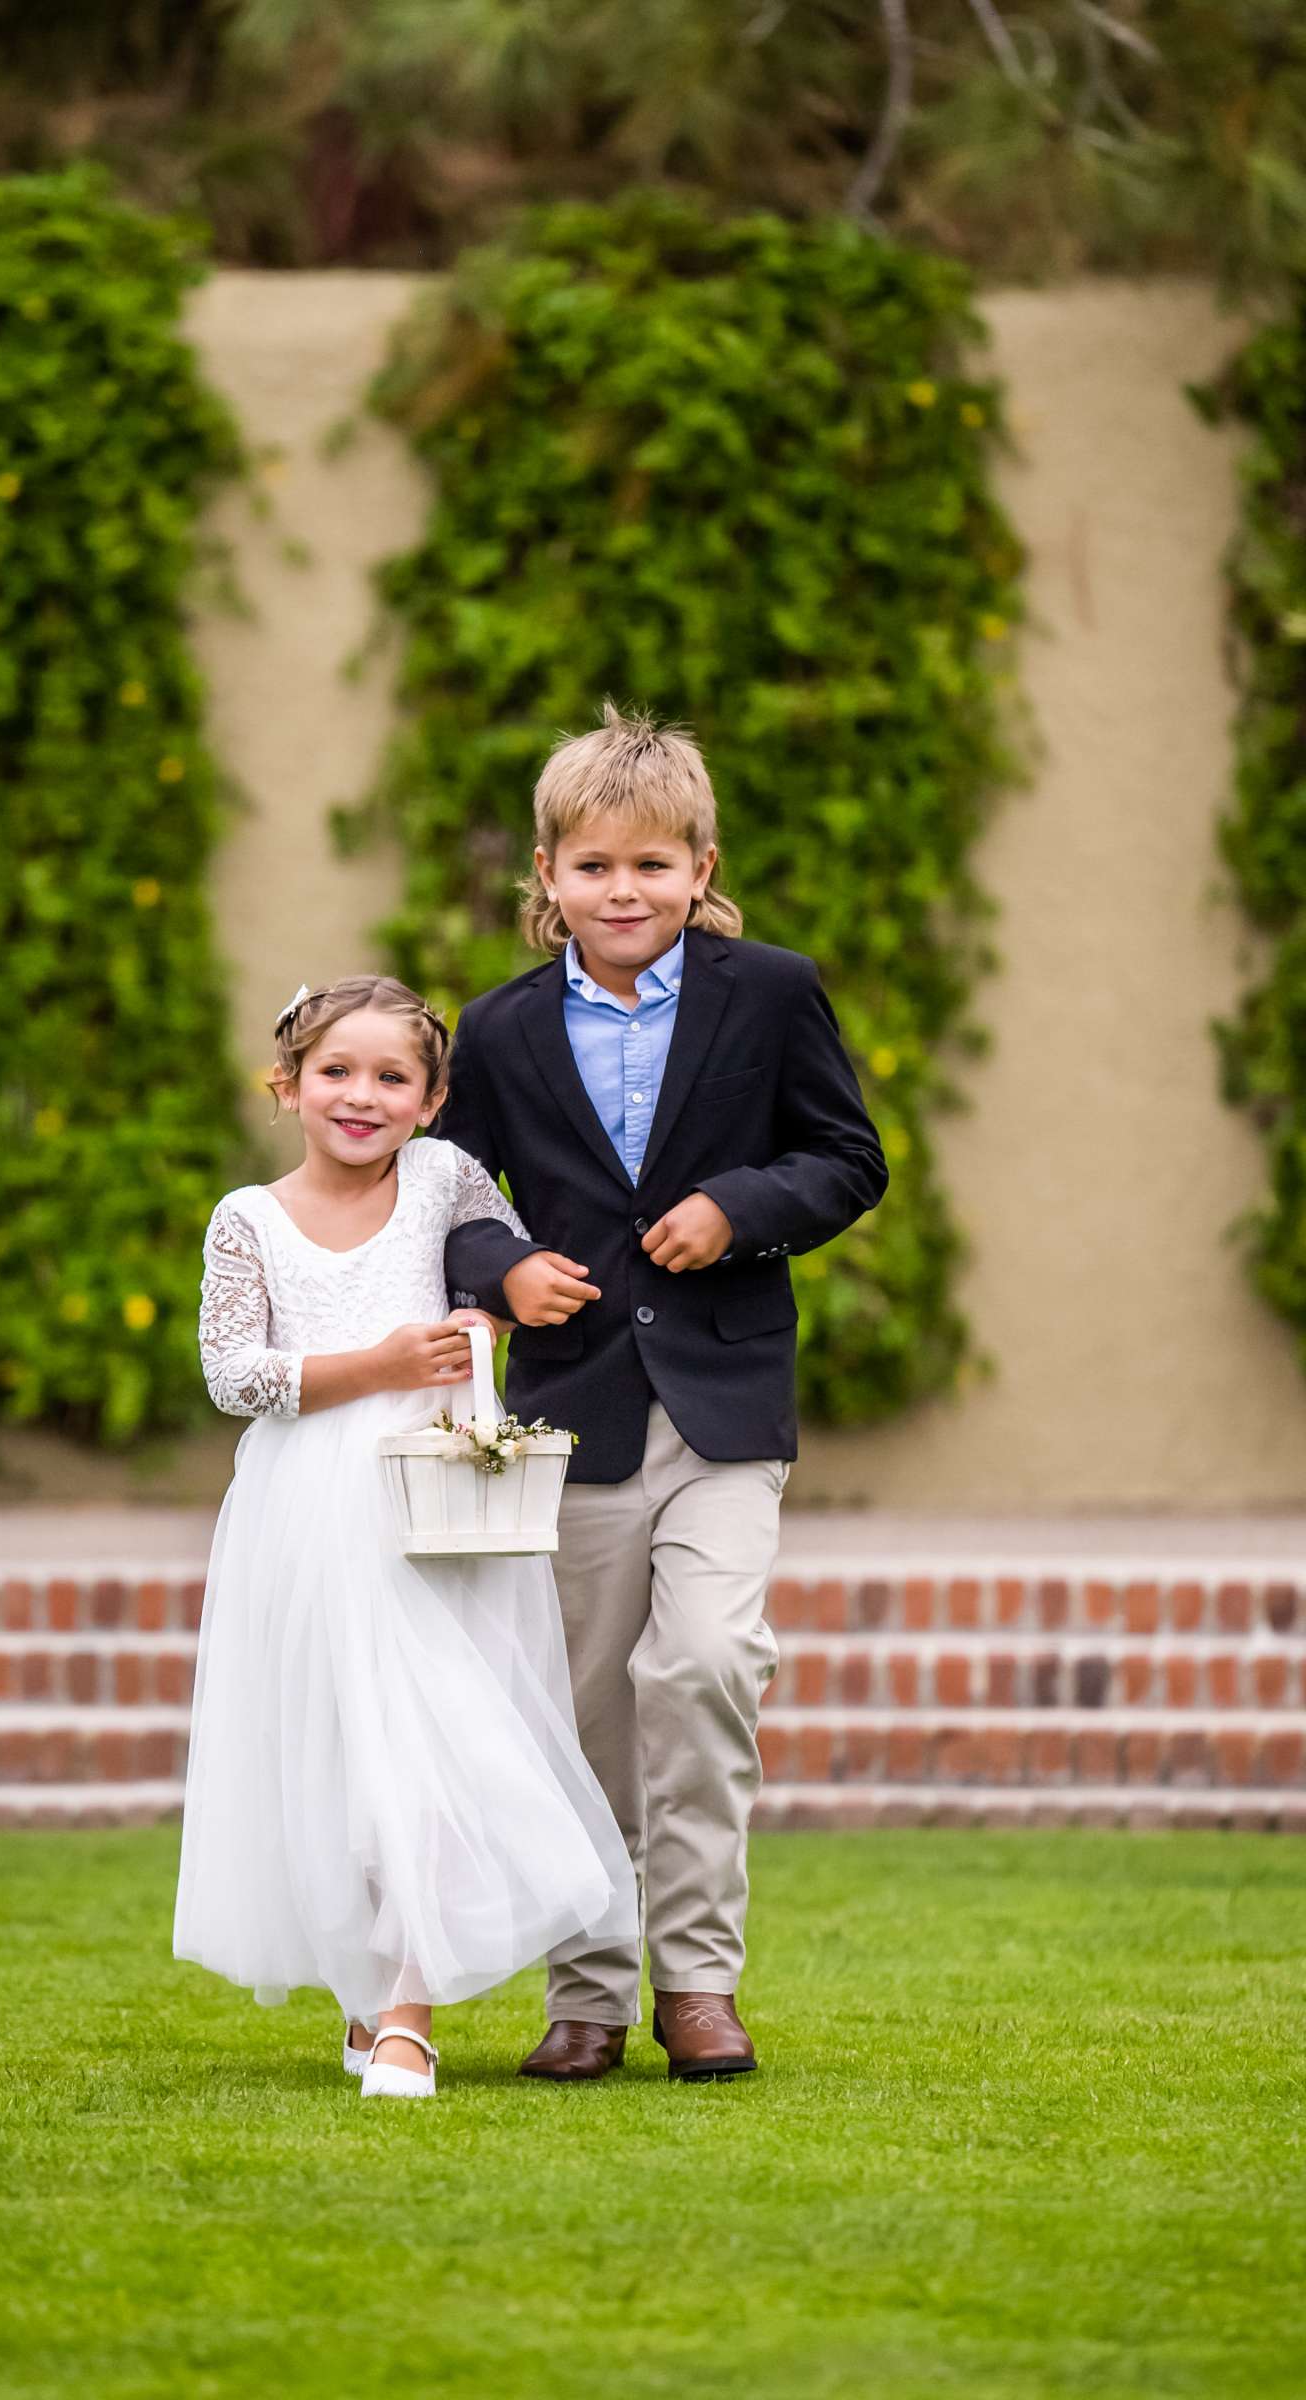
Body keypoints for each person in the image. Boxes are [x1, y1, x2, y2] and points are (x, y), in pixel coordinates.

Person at [437, 706, 888, 2084]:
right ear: (547, 875)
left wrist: (737, 1209)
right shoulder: (499, 1031)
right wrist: (505, 1272)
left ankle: (696, 1983)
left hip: (727, 1408)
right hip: (572, 1416)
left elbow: (846, 1158)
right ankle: (584, 1990)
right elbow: (445, 1204)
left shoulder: (772, 993)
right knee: (584, 1714)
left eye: (651, 866)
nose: (621, 892)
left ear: (701, 866)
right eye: (593, 868)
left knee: (701, 1670)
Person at [173, 973, 636, 2100]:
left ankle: (409, 2019)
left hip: (437, 1499)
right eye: (336, 1071)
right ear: (286, 1085)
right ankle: (367, 1981)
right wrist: (374, 1364)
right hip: (308, 1510)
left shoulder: (444, 1179)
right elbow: (232, 1374)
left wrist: (484, 1317)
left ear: (431, 1100)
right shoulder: (249, 1218)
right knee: (343, 1754)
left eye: (392, 1077)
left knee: (434, 1750)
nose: (362, 1095)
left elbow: (494, 1263)